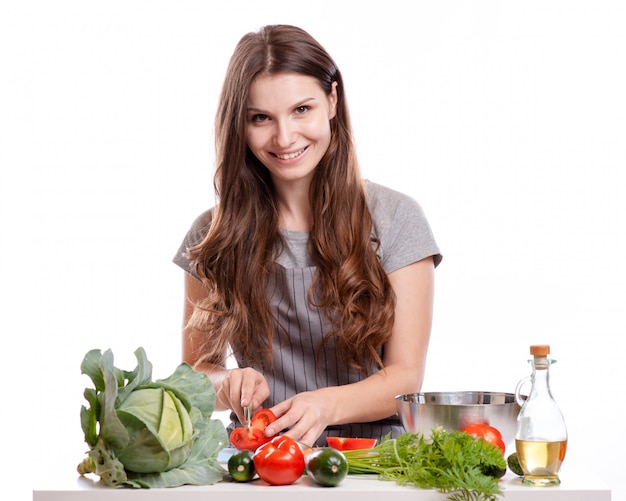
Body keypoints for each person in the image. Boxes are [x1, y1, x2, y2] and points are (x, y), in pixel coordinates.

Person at [173, 24, 442, 448]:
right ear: (238, 126)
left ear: (332, 101)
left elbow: (405, 376)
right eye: (260, 118)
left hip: (376, 463)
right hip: (261, 461)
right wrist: (226, 382)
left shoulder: (397, 220)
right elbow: (195, 374)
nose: (284, 137)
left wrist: (323, 407)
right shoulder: (213, 235)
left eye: (302, 110)